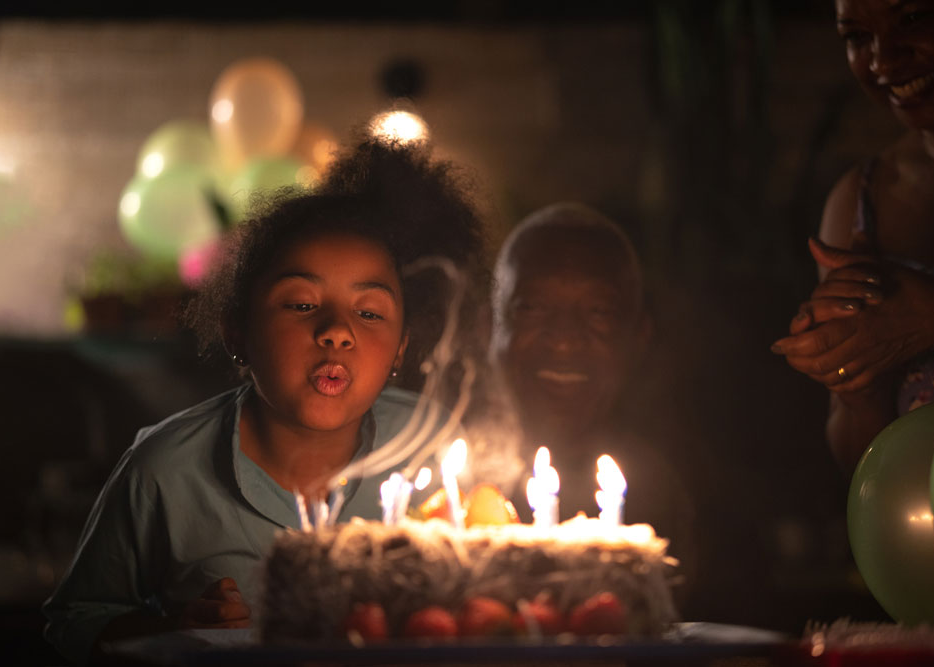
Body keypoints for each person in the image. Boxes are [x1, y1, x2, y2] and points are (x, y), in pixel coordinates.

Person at [42, 138, 486, 665]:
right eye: (301, 303)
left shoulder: (433, 447)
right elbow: (69, 624)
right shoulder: (165, 470)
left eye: (369, 313)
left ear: (401, 349)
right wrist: (172, 627)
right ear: (238, 332)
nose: (337, 332)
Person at [771, 0, 934, 475]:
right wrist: (859, 388)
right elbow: (860, 465)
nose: (883, 60)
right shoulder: (857, 203)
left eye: (912, 18)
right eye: (857, 37)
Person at [485, 201, 700, 608]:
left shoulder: (671, 502)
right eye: (532, 307)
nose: (564, 339)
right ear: (489, 327)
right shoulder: (440, 490)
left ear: (639, 337)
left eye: (599, 312)